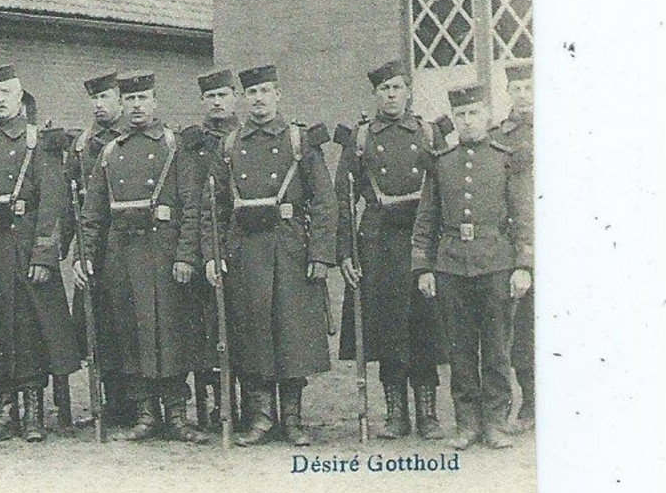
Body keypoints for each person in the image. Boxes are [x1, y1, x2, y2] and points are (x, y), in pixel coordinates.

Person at [202, 65, 336, 447]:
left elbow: (325, 201)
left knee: (291, 335)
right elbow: (213, 205)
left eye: (265, 91)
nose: (258, 99)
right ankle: (260, 417)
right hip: (245, 251)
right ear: (244, 99)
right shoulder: (230, 145)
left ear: (277, 93)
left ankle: (292, 419)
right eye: (252, 93)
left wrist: (321, 253)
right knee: (252, 333)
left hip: (291, 249)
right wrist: (213, 253)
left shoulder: (300, 141)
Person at [0, 64, 81, 442]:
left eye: (6, 93)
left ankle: (34, 415)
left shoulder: (38, 143)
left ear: (20, 97)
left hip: (23, 252)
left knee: (29, 332)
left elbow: (54, 204)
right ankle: (4, 415)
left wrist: (43, 255)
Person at [76, 72, 207, 443]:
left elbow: (192, 206)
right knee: (130, 333)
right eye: (130, 100)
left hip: (164, 256)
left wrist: (186, 256)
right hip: (121, 255)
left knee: (171, 333)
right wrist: (84, 256)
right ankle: (145, 414)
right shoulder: (110, 152)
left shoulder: (173, 146)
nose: (136, 107)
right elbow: (93, 213)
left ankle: (179, 416)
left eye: (143, 99)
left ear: (155, 102)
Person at [413, 83, 533, 450]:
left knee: (497, 350)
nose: (468, 121)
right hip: (451, 268)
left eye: (475, 114)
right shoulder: (442, 163)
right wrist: (423, 268)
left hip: (496, 265)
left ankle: (495, 423)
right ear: (456, 118)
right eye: (462, 115)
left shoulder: (505, 158)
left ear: (486, 116)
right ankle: (467, 424)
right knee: (460, 351)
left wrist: (523, 266)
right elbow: (426, 220)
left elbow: (523, 218)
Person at [336, 60, 445, 439]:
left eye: (397, 88)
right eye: (384, 89)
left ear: (408, 92)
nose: (391, 95)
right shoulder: (362, 137)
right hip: (378, 239)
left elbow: (444, 190)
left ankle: (428, 414)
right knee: (387, 327)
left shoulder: (428, 133)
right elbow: (344, 196)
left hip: (421, 237)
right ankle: (395, 413)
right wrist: (346, 251)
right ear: (375, 95)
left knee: (423, 325)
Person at [177, 68, 243, 430]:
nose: (217, 103)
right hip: (205, 247)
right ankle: (213, 408)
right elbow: (189, 200)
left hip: (239, 246)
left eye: (223, 95)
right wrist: (191, 254)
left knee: (242, 329)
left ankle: (244, 406)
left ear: (234, 97)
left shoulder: (245, 137)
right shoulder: (192, 144)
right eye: (210, 97)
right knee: (206, 334)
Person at [67, 71, 130, 422]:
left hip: (123, 239)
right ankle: (108, 402)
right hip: (94, 242)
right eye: (95, 99)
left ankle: (133, 403)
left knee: (125, 323)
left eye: (106, 98)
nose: (99, 105)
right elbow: (71, 199)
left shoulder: (127, 140)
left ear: (120, 102)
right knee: (99, 326)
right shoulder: (82, 145)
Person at [491, 60, 535, 431]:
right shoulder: (499, 136)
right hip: (517, 243)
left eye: (530, 88)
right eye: (517, 89)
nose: (524, 96)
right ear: (508, 93)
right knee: (521, 324)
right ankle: (530, 403)